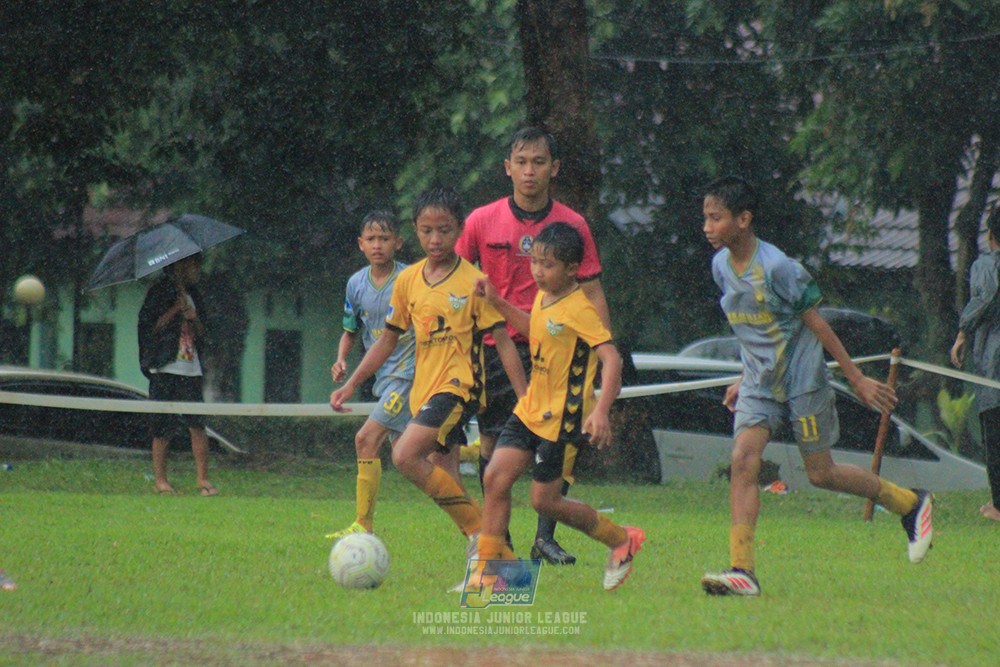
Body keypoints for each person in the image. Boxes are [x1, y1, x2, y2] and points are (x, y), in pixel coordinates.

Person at [699, 175, 933, 596]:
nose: (707, 227)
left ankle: (910, 504)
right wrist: (742, 377)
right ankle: (742, 570)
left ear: (744, 219)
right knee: (743, 460)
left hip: (803, 382)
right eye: (706, 219)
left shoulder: (779, 268)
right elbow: (752, 328)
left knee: (821, 474)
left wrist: (857, 378)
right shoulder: (720, 267)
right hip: (758, 385)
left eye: (715, 218)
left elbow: (818, 325)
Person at [330, 187, 527, 565]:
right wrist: (352, 383)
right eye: (426, 230)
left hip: (459, 387)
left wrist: (526, 398)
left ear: (460, 230)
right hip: (424, 391)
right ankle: (500, 562)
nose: (435, 239)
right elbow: (387, 341)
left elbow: (502, 342)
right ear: (416, 232)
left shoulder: (474, 281)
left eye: (445, 230)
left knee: (404, 454)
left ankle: (482, 537)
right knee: (445, 478)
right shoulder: (408, 281)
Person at [457, 126, 611, 565]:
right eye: (521, 162)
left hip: (558, 350)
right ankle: (497, 546)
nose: (529, 171)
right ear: (507, 168)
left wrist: (602, 352)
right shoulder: (481, 220)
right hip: (494, 345)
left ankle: (544, 538)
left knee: (555, 448)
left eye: (539, 162)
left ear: (554, 169)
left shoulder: (573, 224)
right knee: (492, 446)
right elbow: (459, 277)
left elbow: (593, 290)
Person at [472, 222, 644, 591]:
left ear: (571, 269)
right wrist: (498, 302)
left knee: (545, 502)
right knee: (494, 477)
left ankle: (620, 540)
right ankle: (493, 575)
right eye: (534, 262)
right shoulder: (544, 295)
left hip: (562, 420)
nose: (537, 271)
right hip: (531, 409)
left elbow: (611, 359)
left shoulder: (580, 308)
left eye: (546, 265)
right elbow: (537, 329)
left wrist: (600, 411)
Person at [326, 210, 418, 539]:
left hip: (409, 376)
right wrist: (341, 360)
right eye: (371, 239)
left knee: (365, 439)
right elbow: (351, 330)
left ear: (398, 243)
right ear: (361, 244)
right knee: (418, 453)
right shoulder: (355, 284)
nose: (378, 245)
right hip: (383, 378)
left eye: (384, 238)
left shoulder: (410, 278)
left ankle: (363, 526)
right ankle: (476, 450)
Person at [137, 253, 217, 496]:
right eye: (195, 265)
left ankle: (202, 479)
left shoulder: (195, 294)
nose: (198, 271)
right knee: (162, 427)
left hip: (190, 369)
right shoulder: (159, 292)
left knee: (197, 423)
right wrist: (175, 310)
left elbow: (206, 333)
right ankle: (161, 481)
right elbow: (151, 326)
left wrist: (194, 318)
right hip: (165, 367)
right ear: (182, 265)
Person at [950, 214, 1000, 522]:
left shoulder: (986, 265)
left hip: (994, 359)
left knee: (994, 430)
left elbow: (986, 294)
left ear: (990, 233)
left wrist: (963, 331)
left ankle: (998, 506)